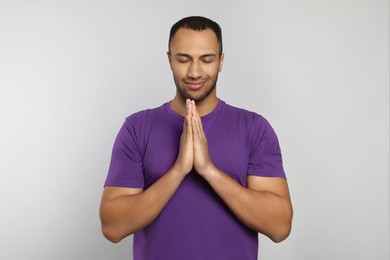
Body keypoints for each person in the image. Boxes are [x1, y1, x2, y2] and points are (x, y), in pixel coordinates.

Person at [100, 16, 293, 260]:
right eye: (183, 59)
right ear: (169, 60)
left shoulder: (255, 128)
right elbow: (112, 228)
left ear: (221, 61)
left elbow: (279, 228)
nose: (194, 71)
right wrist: (178, 170)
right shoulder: (136, 128)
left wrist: (209, 170)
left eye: (207, 59)